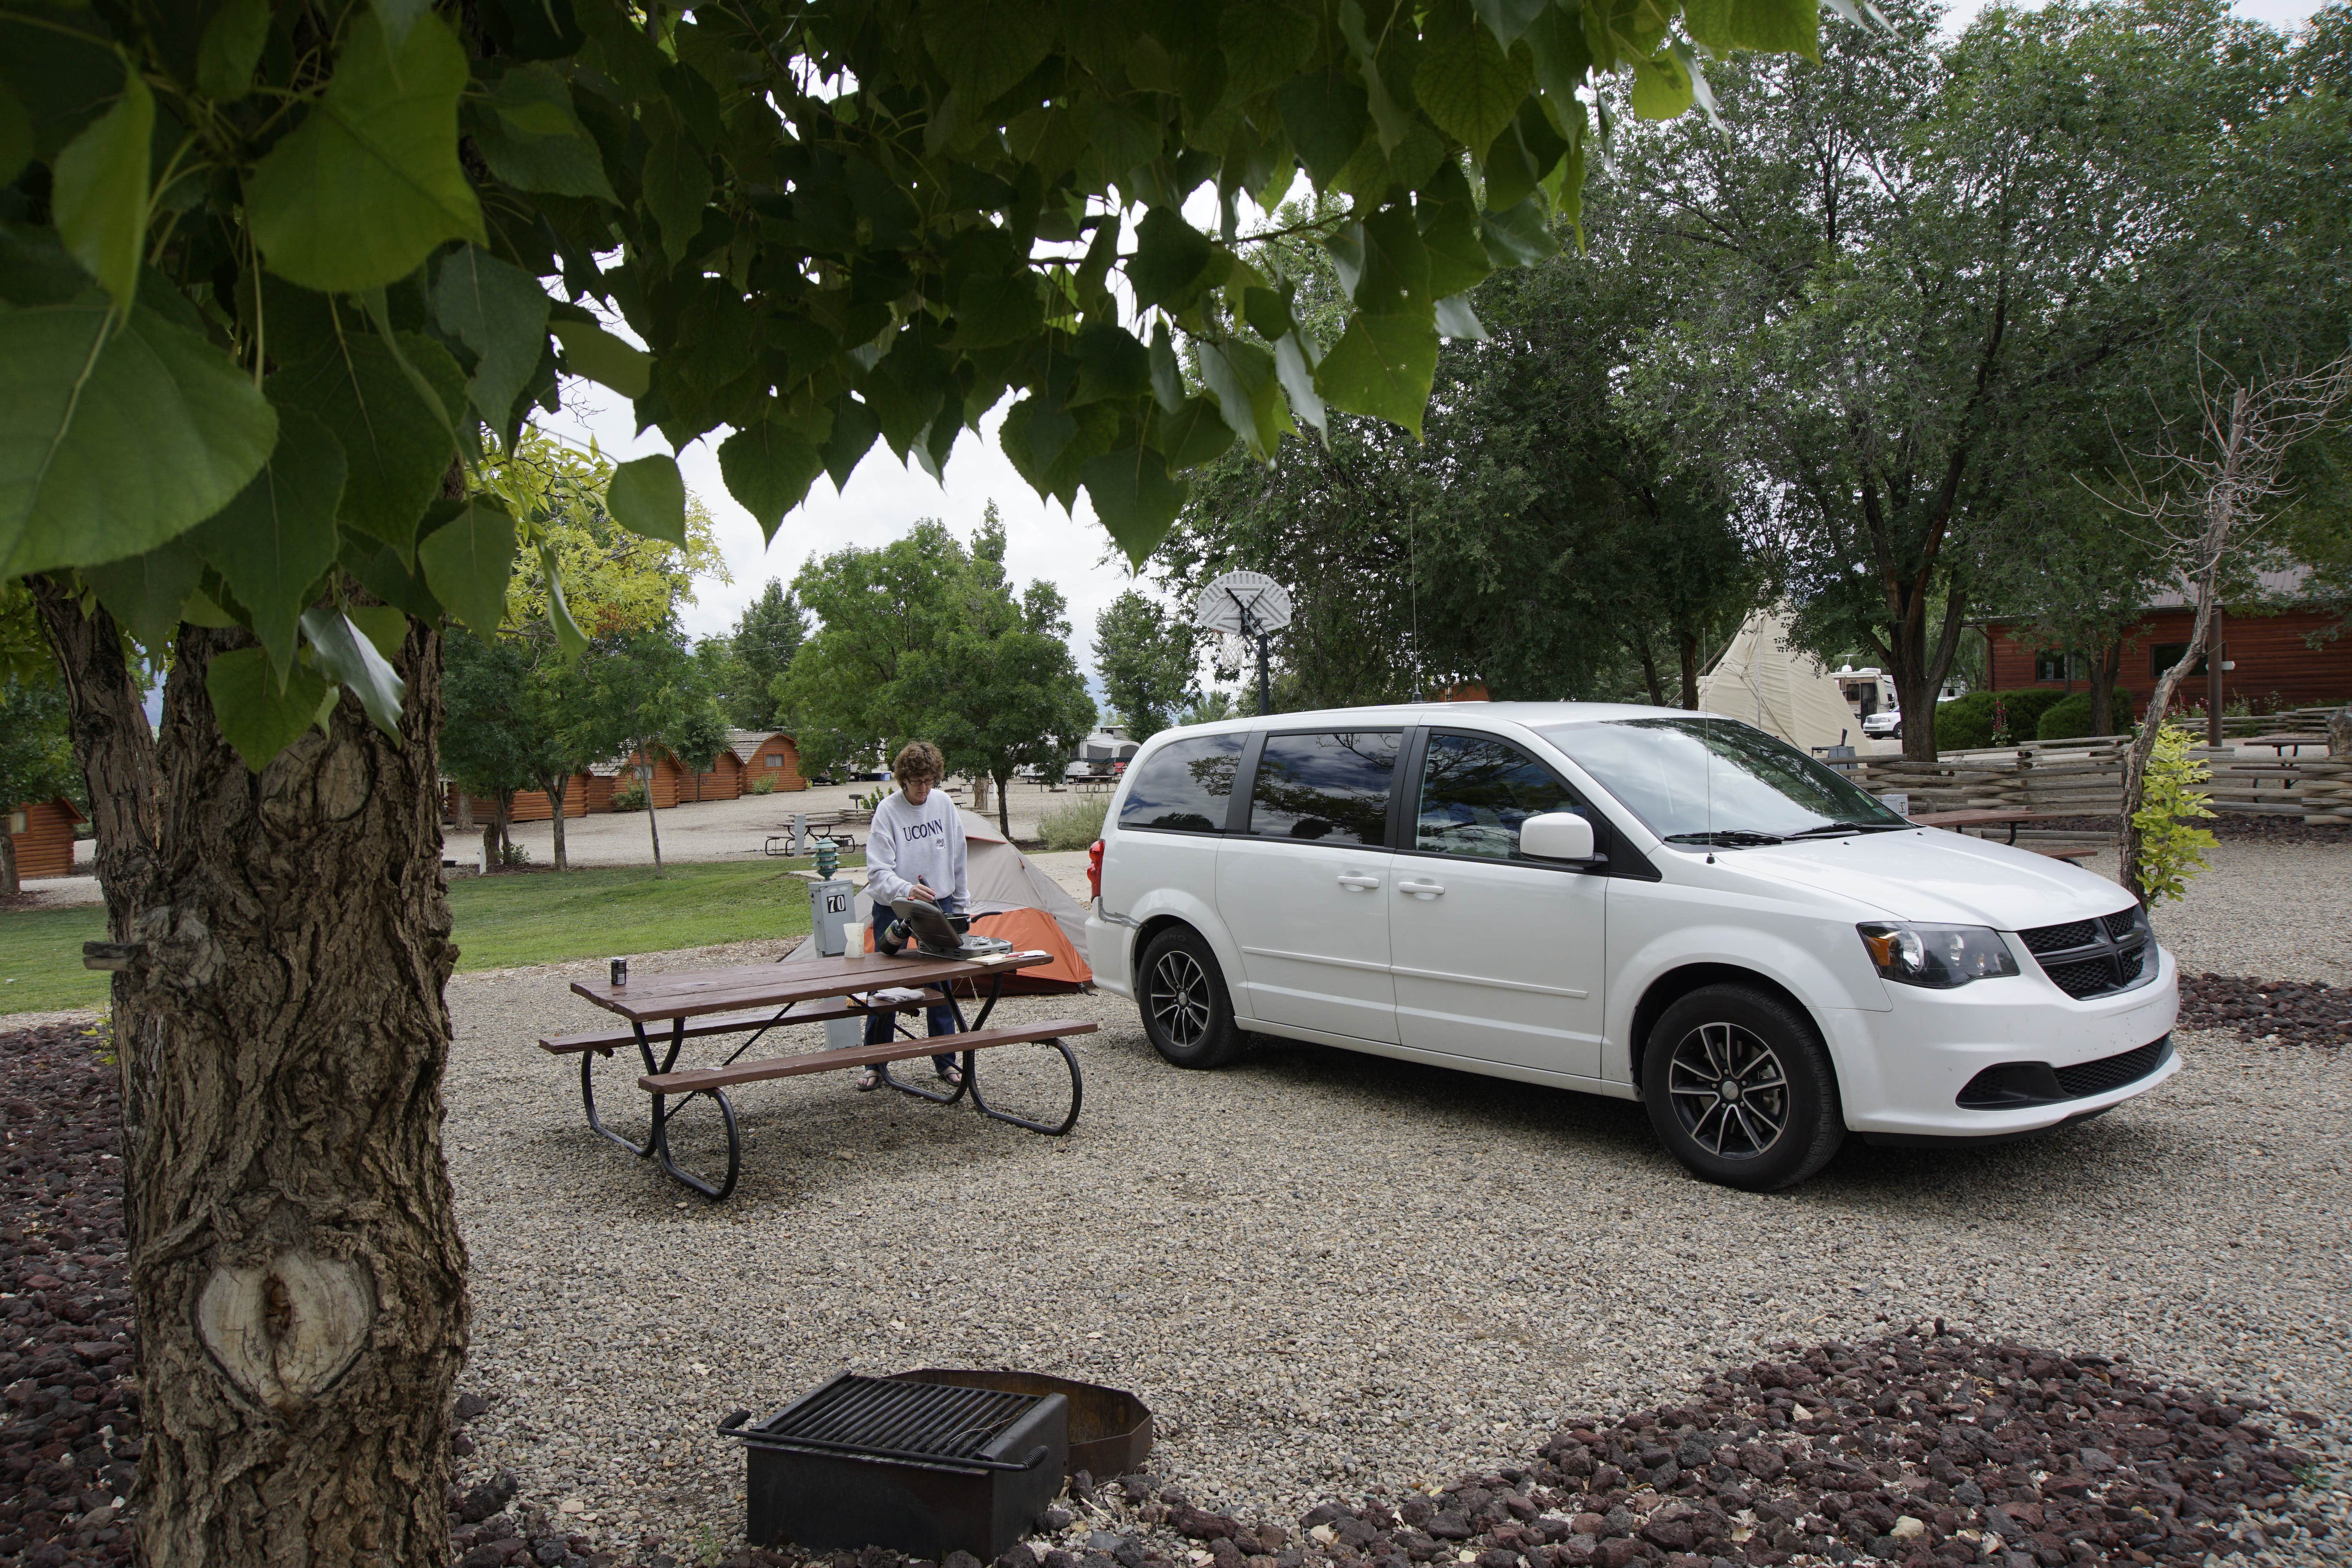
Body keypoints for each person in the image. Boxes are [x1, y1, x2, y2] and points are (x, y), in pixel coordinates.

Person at [855, 740, 969, 1091]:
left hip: (941, 905)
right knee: (886, 987)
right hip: (894, 907)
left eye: (930, 781)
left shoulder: (944, 804)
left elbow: (958, 857)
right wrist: (906, 889)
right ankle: (875, 1063)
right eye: (917, 782)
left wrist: (962, 907)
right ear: (903, 780)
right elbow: (877, 873)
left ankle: (947, 1061)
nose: (924, 789)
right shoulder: (888, 812)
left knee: (941, 986)